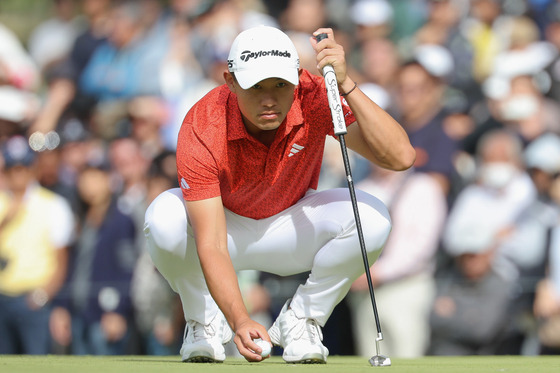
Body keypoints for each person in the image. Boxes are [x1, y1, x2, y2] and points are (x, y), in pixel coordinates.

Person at [143, 25, 415, 364]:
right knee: (163, 217)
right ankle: (204, 320)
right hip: (225, 234)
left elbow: (400, 157)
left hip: (291, 229)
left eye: (280, 85)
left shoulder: (315, 96)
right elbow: (211, 243)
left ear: (299, 77)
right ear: (230, 81)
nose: (269, 98)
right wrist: (239, 318)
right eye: (256, 86)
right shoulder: (203, 122)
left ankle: (301, 320)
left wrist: (344, 84)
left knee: (373, 218)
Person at [0, 135, 75, 354]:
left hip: (32, 298)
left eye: (23, 168)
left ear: (32, 169)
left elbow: (62, 259)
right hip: (2, 296)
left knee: (36, 360)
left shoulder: (53, 205)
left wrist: (43, 296)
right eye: (13, 169)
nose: (18, 174)